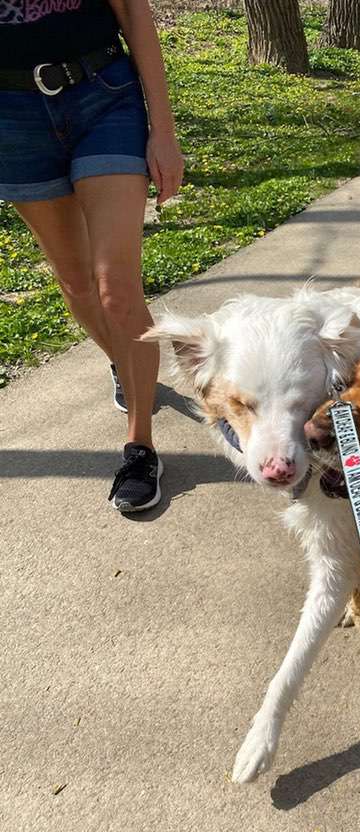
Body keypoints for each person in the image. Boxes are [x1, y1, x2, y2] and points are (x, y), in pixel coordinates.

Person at [0, 0, 184, 513]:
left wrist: (163, 132)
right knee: (77, 282)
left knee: (114, 288)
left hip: (103, 96)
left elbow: (132, 11)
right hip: (12, 119)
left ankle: (140, 445)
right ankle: (124, 366)